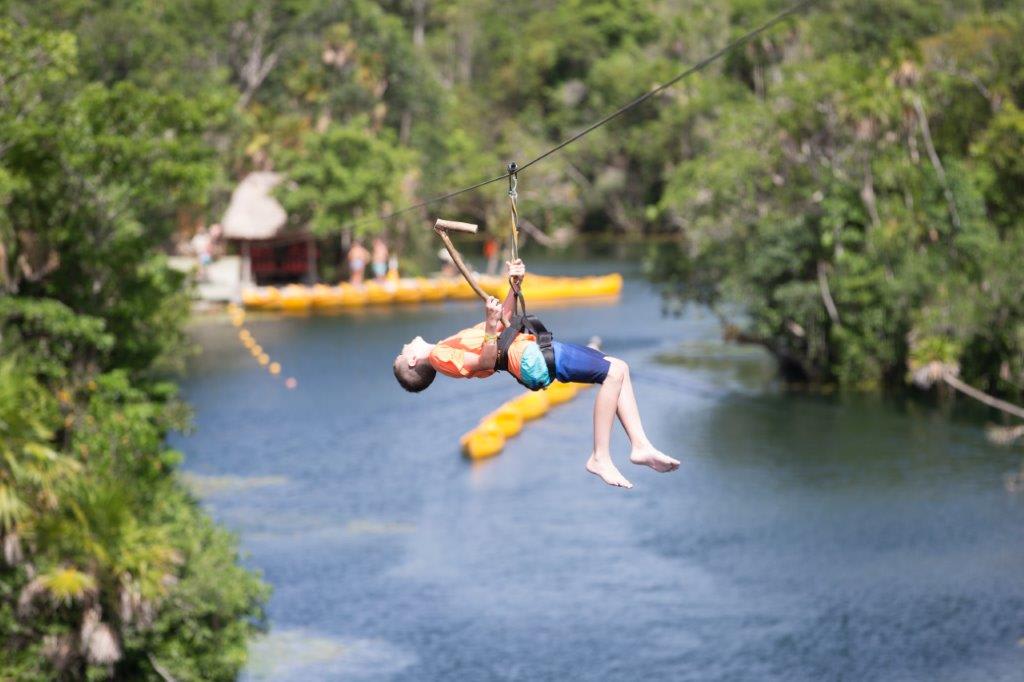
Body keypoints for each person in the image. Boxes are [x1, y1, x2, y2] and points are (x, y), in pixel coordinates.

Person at [393, 259, 679, 489]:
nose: (405, 345)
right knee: (613, 373)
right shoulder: (440, 356)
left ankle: (640, 445)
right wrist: (490, 326)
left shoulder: (446, 347)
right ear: (413, 360)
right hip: (530, 359)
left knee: (619, 367)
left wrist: (514, 286)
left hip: (531, 354)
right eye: (403, 352)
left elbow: (503, 322)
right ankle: (599, 456)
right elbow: (485, 360)